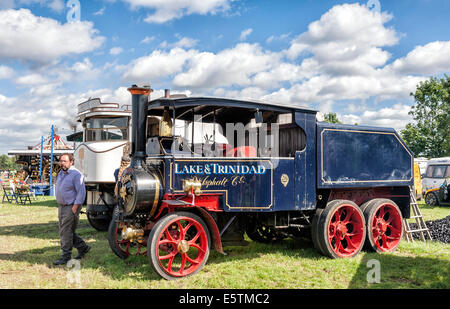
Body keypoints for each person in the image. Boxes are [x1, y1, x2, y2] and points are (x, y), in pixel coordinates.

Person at [53, 153, 90, 266]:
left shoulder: (76, 174)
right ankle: (83, 248)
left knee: (65, 232)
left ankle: (66, 256)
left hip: (71, 207)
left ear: (71, 162)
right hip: (62, 206)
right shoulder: (61, 173)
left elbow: (81, 192)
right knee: (66, 231)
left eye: (65, 161)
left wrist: (75, 208)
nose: (62, 163)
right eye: (61, 161)